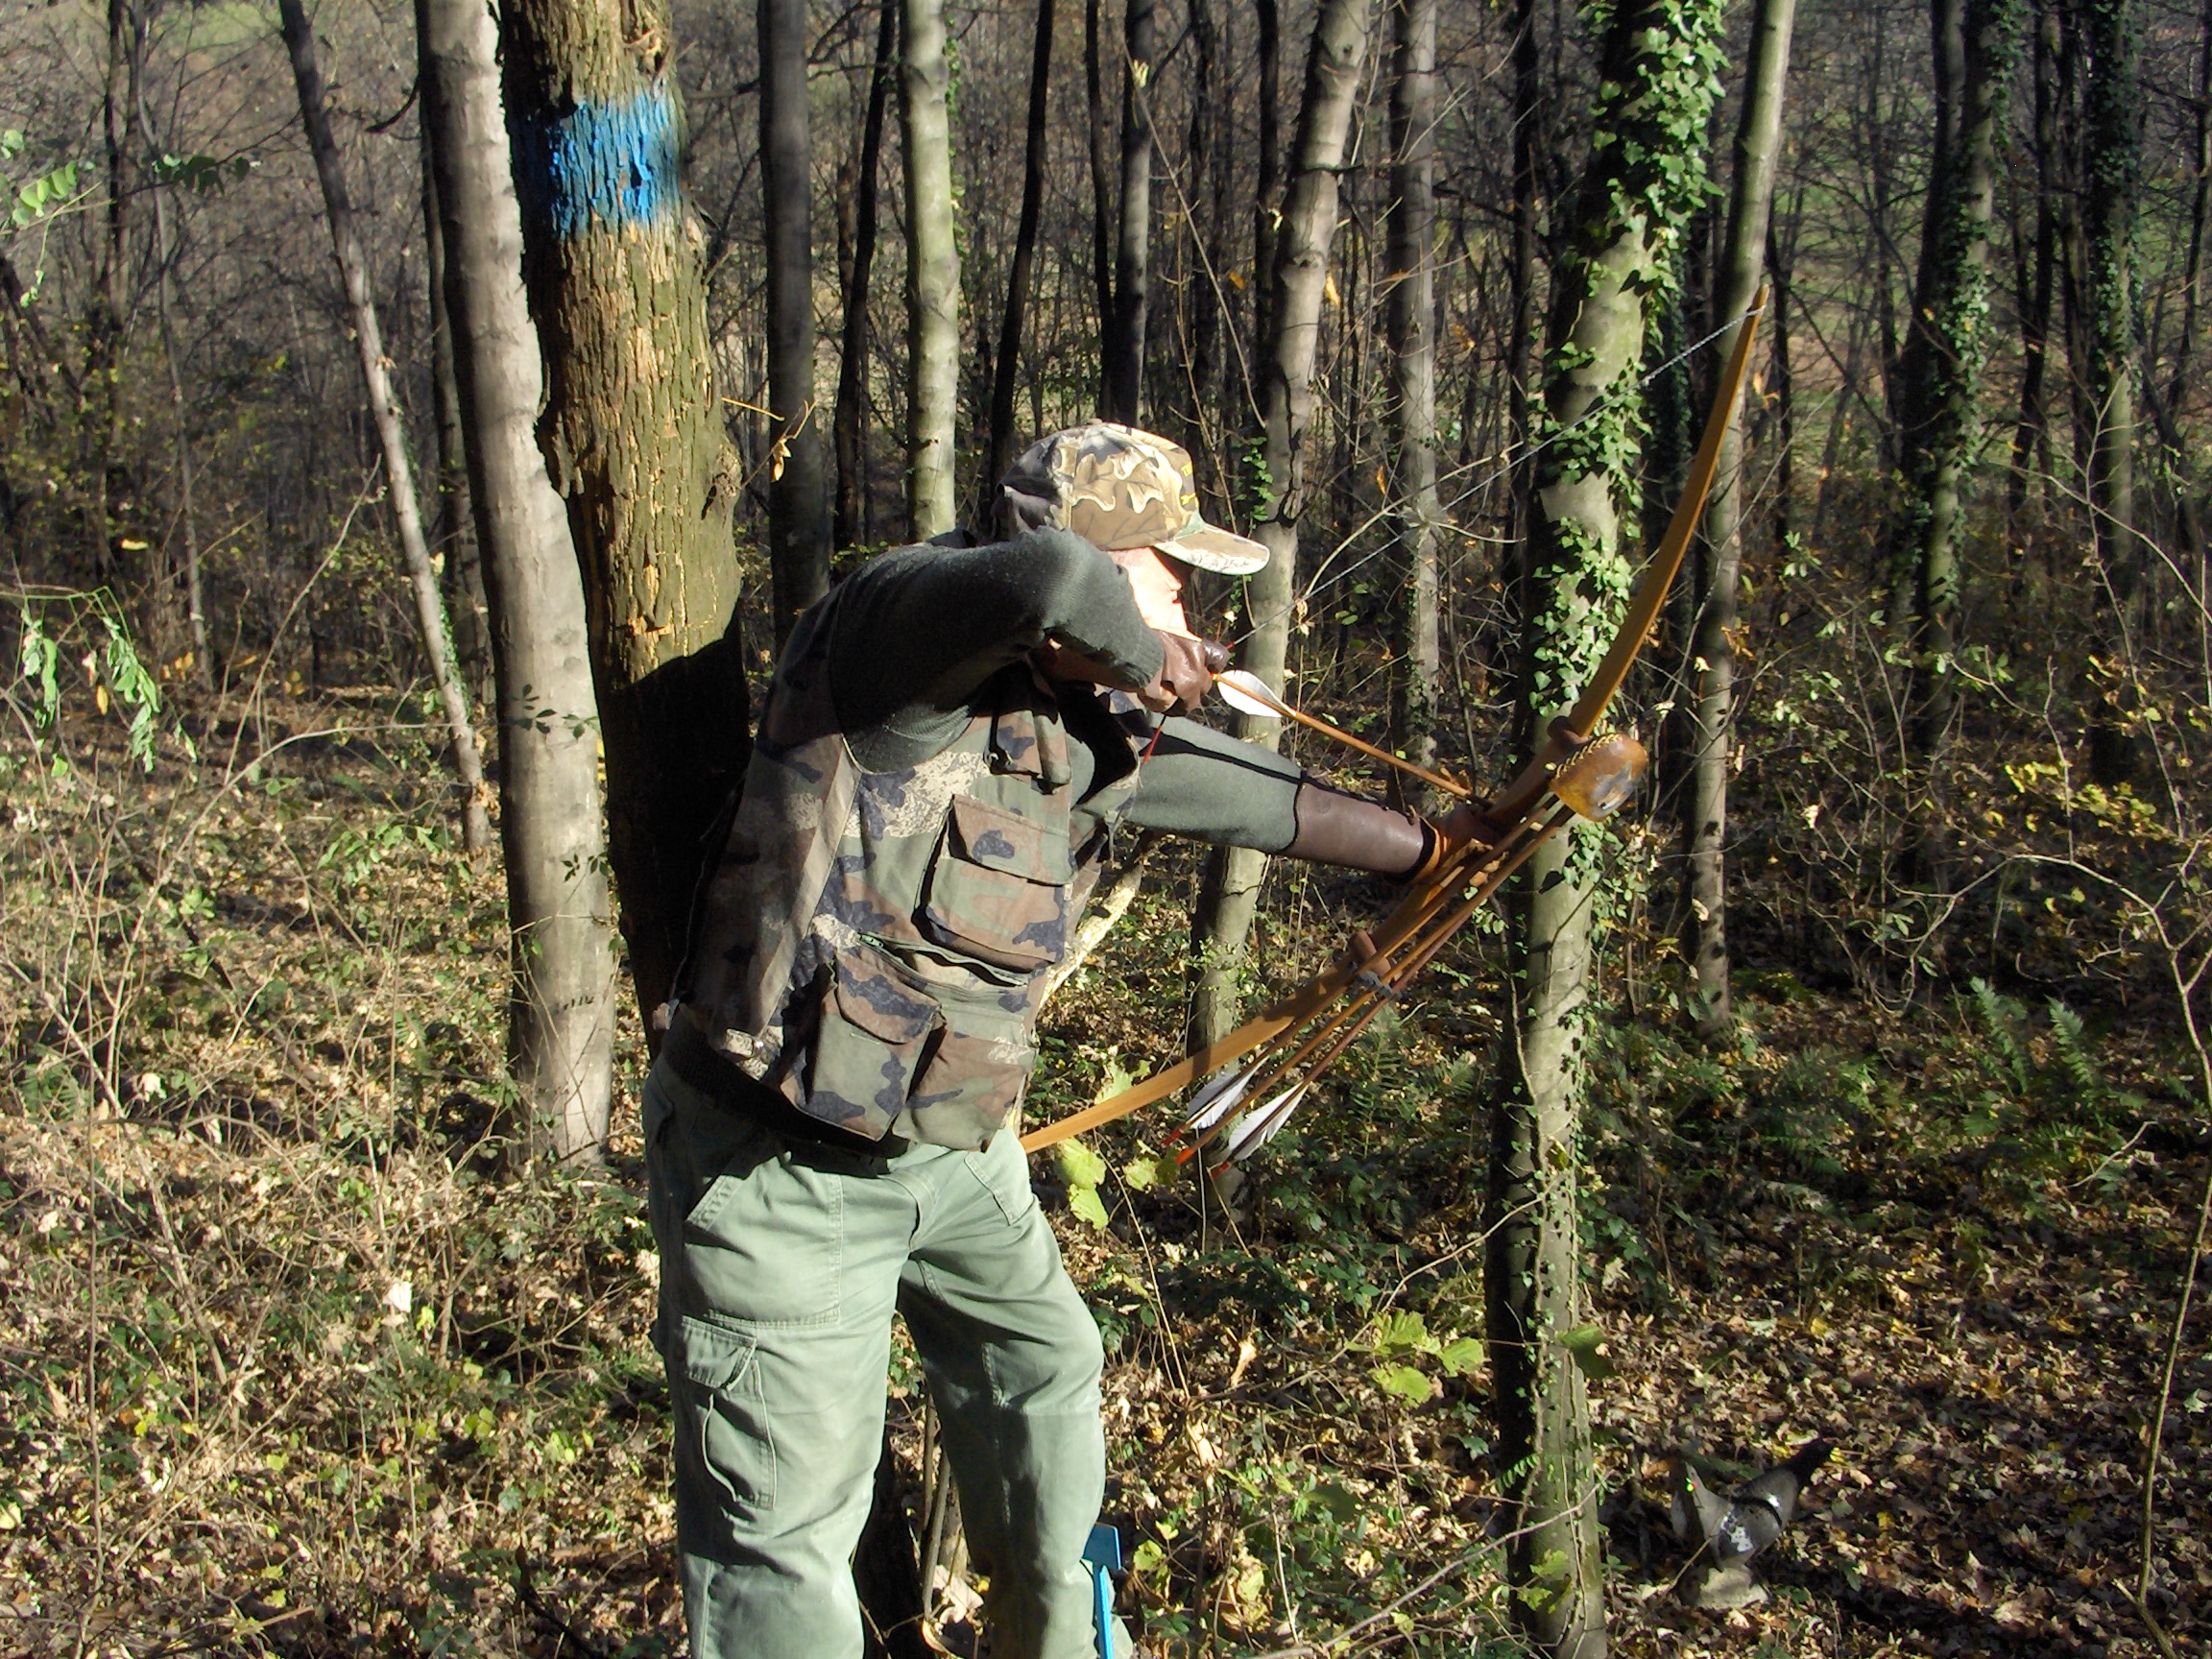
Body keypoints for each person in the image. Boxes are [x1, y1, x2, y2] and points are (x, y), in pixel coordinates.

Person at [644, 421, 1480, 1659]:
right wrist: (1151, 651)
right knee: (786, 1535)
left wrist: (1440, 848)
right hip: (782, 1169)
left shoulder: (1077, 721)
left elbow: (1263, 801)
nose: (1187, 593)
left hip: (951, 1151)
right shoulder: (898, 638)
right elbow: (1055, 582)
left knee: (1044, 1370)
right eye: (1169, 564)